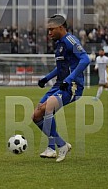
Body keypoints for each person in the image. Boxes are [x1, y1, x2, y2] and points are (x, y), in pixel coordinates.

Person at [33, 14, 90, 162]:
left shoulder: (70, 41)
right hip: (59, 84)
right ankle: (60, 145)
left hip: (72, 85)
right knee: (37, 115)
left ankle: (53, 148)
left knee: (48, 106)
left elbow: (85, 59)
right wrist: (46, 78)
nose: (49, 33)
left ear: (61, 27)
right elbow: (61, 68)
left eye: (51, 29)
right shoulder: (59, 45)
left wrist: (70, 79)